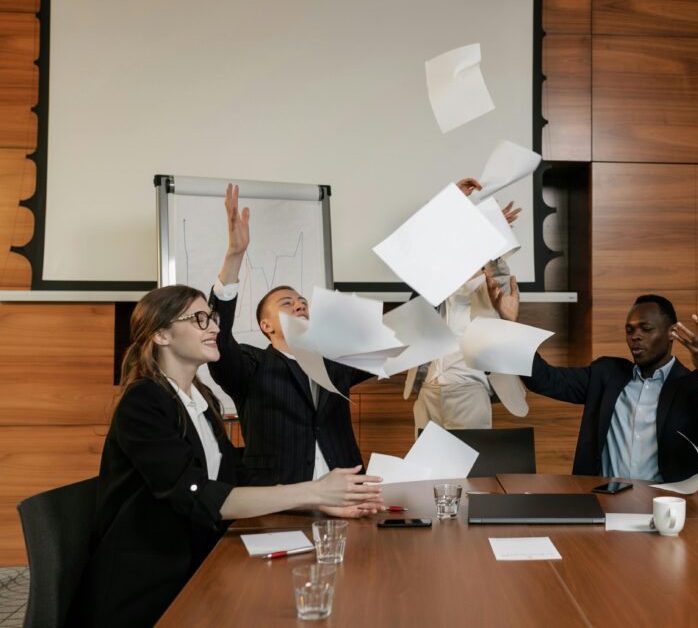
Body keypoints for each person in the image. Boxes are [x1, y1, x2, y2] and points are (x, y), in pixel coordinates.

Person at [72, 285, 384, 628]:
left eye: (212, 318)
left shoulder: (202, 402)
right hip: (150, 582)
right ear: (161, 335)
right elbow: (198, 494)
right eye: (199, 319)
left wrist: (320, 500)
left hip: (202, 562)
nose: (213, 328)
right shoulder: (143, 401)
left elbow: (231, 478)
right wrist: (315, 491)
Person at [488, 278, 698, 485]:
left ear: (672, 333)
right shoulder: (606, 374)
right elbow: (544, 380)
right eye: (630, 330)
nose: (635, 336)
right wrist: (512, 325)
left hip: (669, 509)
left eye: (646, 329)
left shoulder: (692, 385)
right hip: (606, 505)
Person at [209, 184, 372, 485]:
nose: (299, 305)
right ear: (266, 326)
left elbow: (403, 340)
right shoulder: (251, 364)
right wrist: (234, 257)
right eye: (286, 303)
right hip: (279, 496)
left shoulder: (335, 362)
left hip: (348, 492)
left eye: (302, 302)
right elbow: (218, 336)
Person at [406, 176, 521, 431]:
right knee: (425, 458)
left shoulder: (494, 274)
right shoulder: (435, 275)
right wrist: (450, 202)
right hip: (429, 387)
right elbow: (421, 242)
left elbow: (501, 289)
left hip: (469, 388)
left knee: (469, 458)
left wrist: (493, 236)